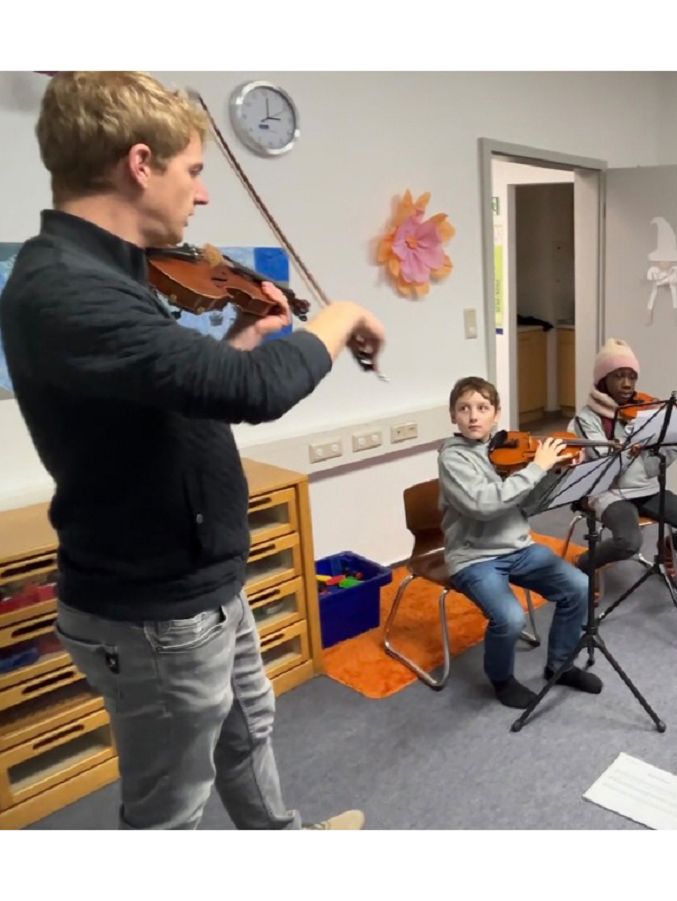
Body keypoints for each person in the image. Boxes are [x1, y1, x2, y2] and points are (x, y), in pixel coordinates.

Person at [1, 72, 386, 829]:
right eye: (194, 170)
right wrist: (339, 314)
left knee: (248, 739)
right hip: (154, 609)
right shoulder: (67, 289)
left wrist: (243, 342)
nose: (202, 196)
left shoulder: (113, 275)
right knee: (171, 808)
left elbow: (185, 395)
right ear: (139, 164)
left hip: (203, 583)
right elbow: (256, 393)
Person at [438, 376, 600, 709]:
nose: (473, 416)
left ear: (496, 414)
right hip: (474, 557)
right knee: (510, 617)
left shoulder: (505, 449)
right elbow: (485, 505)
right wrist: (537, 466)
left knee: (579, 586)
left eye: (482, 408)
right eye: (464, 408)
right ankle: (502, 680)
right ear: (453, 415)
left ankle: (561, 665)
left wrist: (553, 473)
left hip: (518, 548)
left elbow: (528, 505)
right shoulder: (452, 458)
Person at [570, 339, 677, 587]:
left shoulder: (645, 412)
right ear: (603, 380)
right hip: (609, 493)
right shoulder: (587, 418)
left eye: (632, 377)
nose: (627, 384)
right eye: (618, 376)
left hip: (646, 489)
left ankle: (668, 546)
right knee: (629, 542)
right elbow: (605, 467)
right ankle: (586, 563)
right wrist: (630, 438)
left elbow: (653, 467)